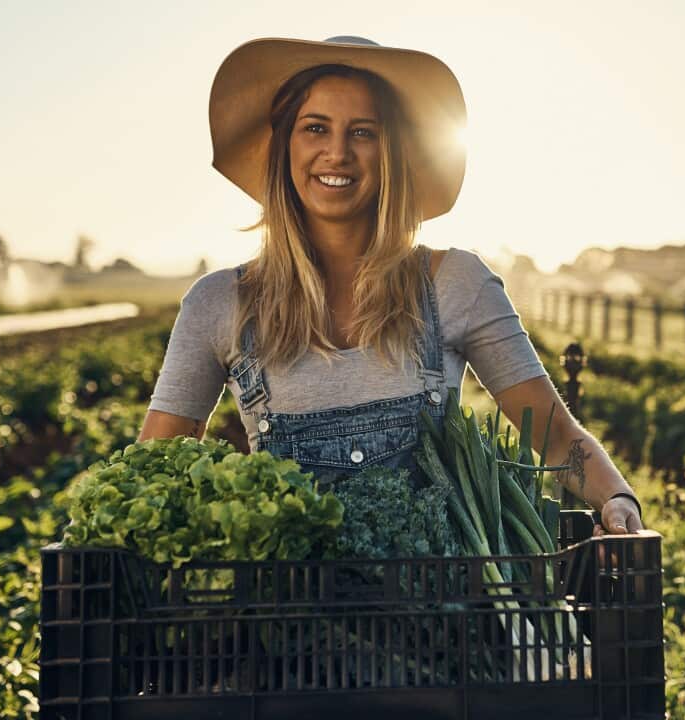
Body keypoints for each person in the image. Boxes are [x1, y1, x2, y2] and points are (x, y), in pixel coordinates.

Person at [138, 35, 643, 537]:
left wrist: (617, 497)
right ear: (284, 144)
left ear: (392, 152)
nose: (337, 153)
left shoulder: (455, 284)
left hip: (440, 606)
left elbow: (555, 436)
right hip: (290, 609)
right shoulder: (220, 304)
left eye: (363, 132)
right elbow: (154, 473)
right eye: (315, 128)